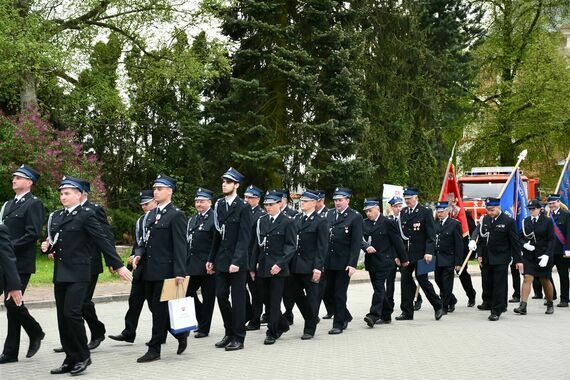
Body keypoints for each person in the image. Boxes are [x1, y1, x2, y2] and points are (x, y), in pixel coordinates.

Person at [41, 176, 131, 375]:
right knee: (62, 318)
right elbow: (57, 243)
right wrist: (47, 248)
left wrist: (117, 265)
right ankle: (69, 359)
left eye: (68, 193)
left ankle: (83, 356)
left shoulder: (86, 215)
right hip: (61, 273)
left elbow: (102, 240)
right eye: (62, 193)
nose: (63, 197)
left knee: (73, 313)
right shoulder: (57, 216)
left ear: (79, 195)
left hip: (80, 272)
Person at [132, 174, 188, 362]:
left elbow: (180, 245)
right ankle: (180, 334)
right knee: (156, 309)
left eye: (160, 189)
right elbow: (144, 241)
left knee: (159, 310)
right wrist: (138, 253)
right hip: (148, 270)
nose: (156, 191)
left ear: (170, 191)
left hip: (166, 271)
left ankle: (154, 349)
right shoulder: (151, 215)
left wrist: (180, 272)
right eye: (155, 189)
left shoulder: (176, 215)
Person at [0, 165, 45, 364]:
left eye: (19, 177)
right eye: (14, 177)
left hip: (21, 262)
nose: (14, 180)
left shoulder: (34, 204)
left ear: (29, 182)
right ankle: (32, 334)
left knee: (12, 303)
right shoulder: (8, 205)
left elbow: (32, 233)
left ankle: (16, 347)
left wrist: (9, 247)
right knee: (11, 305)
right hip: (5, 261)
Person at [207, 167, 252, 351]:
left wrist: (237, 261)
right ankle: (229, 332)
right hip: (221, 260)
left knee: (238, 299)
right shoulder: (219, 205)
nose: (224, 184)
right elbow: (217, 235)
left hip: (237, 262)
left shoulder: (243, 207)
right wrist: (211, 258)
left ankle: (239, 337)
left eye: (228, 182)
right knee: (221, 296)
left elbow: (244, 238)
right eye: (223, 182)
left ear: (236, 185)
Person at [109, 190, 157, 343]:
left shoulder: (162, 218)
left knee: (154, 305)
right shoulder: (141, 221)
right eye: (142, 204)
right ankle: (129, 332)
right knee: (134, 301)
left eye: (147, 203)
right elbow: (138, 244)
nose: (144, 207)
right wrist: (130, 262)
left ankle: (174, 333)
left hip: (155, 269)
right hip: (140, 269)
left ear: (155, 202)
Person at [250, 191, 296, 344]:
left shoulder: (287, 221)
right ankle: (282, 323)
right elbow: (257, 246)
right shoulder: (262, 221)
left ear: (279, 204)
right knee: (265, 299)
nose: (268, 208)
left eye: (271, 205)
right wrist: (252, 267)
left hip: (278, 268)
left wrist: (280, 264)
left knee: (275, 301)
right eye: (266, 205)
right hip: (263, 267)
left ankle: (272, 331)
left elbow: (291, 246)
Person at [470, 197, 522, 321]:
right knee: (487, 282)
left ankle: (496, 310)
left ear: (498, 207)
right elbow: (482, 239)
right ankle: (491, 303)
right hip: (487, 257)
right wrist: (480, 254)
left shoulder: (508, 221)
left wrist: (518, 260)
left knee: (499, 284)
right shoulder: (486, 219)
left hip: (501, 258)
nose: (490, 213)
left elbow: (514, 242)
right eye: (488, 210)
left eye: (492, 210)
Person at [397, 188, 444, 321]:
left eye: (409, 199)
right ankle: (407, 312)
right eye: (405, 199)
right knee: (405, 281)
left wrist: (429, 252)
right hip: (406, 254)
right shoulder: (403, 212)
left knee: (422, 280)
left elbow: (431, 235)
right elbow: (401, 236)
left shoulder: (425, 211)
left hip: (422, 254)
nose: (407, 201)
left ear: (416, 198)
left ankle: (438, 305)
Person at [288, 190, 328, 339]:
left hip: (311, 266)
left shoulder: (321, 221)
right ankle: (311, 317)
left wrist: (318, 267)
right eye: (301, 201)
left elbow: (322, 247)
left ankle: (309, 329)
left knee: (312, 297)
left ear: (314, 203)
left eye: (305, 201)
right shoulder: (296, 219)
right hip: (296, 265)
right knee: (294, 294)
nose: (302, 203)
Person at [361, 198, 407, 327]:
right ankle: (387, 314)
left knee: (379, 289)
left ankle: (373, 315)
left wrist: (403, 259)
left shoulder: (387, 223)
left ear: (378, 209)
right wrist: (365, 247)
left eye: (370, 211)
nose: (368, 214)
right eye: (366, 212)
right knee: (378, 289)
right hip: (371, 262)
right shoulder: (364, 223)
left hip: (385, 261)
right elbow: (360, 239)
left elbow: (397, 242)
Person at [325, 187, 362, 334]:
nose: (337, 203)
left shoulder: (355, 217)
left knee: (339, 293)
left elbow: (356, 243)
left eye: (340, 200)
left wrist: (352, 264)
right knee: (327, 292)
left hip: (343, 262)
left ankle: (338, 323)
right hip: (328, 261)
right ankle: (345, 315)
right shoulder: (329, 214)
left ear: (347, 200)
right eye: (335, 200)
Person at [514, 199, 555, 315]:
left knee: (544, 279)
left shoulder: (547, 221)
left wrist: (547, 255)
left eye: (533, 209)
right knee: (527, 278)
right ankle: (523, 306)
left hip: (543, 254)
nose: (531, 211)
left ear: (540, 209)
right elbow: (520, 237)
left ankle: (550, 303)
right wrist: (524, 245)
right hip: (529, 255)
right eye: (530, 209)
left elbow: (551, 240)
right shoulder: (525, 221)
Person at [186, 188, 216, 338]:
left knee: (208, 296)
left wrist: (213, 261)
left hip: (208, 265)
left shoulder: (215, 218)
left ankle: (204, 328)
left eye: (202, 201)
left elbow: (217, 243)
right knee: (188, 292)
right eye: (197, 201)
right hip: (193, 264)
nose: (199, 204)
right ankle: (200, 318)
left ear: (210, 202)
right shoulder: (193, 219)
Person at [243, 185, 267, 331]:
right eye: (245, 197)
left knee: (256, 292)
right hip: (240, 258)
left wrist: (254, 263)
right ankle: (248, 314)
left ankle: (256, 319)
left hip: (252, 258)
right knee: (240, 290)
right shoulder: (241, 212)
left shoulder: (261, 216)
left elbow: (258, 243)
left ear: (257, 199)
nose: (246, 200)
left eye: (250, 197)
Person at [433, 202, 463, 314]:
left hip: (449, 258)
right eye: (438, 211)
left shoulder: (454, 224)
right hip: (437, 258)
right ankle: (452, 299)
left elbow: (459, 245)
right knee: (437, 280)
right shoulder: (435, 223)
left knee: (447, 283)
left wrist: (458, 262)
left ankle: (444, 306)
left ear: (447, 211)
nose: (440, 214)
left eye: (442, 211)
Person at [448, 199, 477, 307]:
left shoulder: (464, 213)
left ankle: (471, 294)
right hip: (447, 248)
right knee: (444, 274)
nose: (451, 203)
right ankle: (449, 299)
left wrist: (472, 243)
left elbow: (472, 230)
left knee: (462, 273)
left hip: (461, 248)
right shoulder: (441, 213)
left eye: (453, 200)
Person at [547, 193, 570, 308]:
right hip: (550, 251)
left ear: (558, 202)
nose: (551, 205)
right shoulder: (547, 215)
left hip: (562, 251)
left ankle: (565, 299)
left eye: (553, 203)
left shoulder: (566, 214)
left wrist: (568, 250)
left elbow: (569, 234)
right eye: (549, 203)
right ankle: (551, 295)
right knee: (545, 273)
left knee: (563, 275)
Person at [315, 189, 334, 320]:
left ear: (320, 201)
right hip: (317, 256)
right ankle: (332, 310)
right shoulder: (311, 215)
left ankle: (313, 315)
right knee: (322, 287)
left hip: (328, 255)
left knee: (324, 287)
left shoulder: (328, 214)